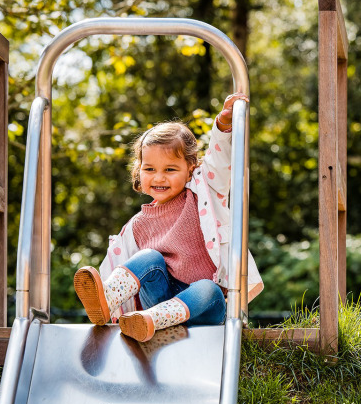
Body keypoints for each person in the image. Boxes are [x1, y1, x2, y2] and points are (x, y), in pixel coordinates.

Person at [74, 93, 263, 342]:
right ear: (138, 171)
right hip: (160, 304)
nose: (159, 177)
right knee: (149, 258)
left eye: (170, 169)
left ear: (190, 169)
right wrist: (110, 308)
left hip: (204, 308)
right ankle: (109, 301)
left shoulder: (202, 193)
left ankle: (151, 320)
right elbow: (115, 263)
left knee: (207, 288)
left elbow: (219, 162)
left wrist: (224, 125)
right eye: (149, 169)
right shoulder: (137, 226)